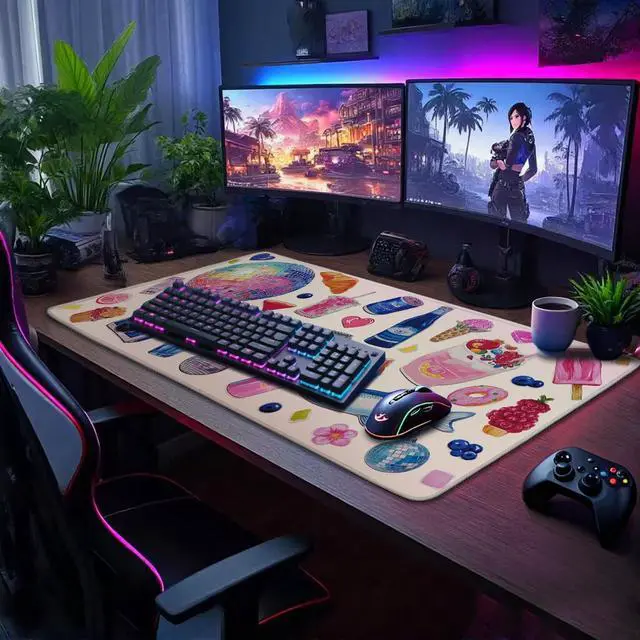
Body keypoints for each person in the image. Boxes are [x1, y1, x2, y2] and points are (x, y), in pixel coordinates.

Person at [488, 102, 537, 221]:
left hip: (504, 185)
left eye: (516, 116)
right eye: (511, 118)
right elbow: (533, 170)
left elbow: (500, 165)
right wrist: (519, 180)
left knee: (499, 222)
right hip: (512, 186)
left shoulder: (516, 139)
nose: (513, 121)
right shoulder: (528, 142)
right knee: (517, 223)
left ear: (524, 117)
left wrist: (503, 165)